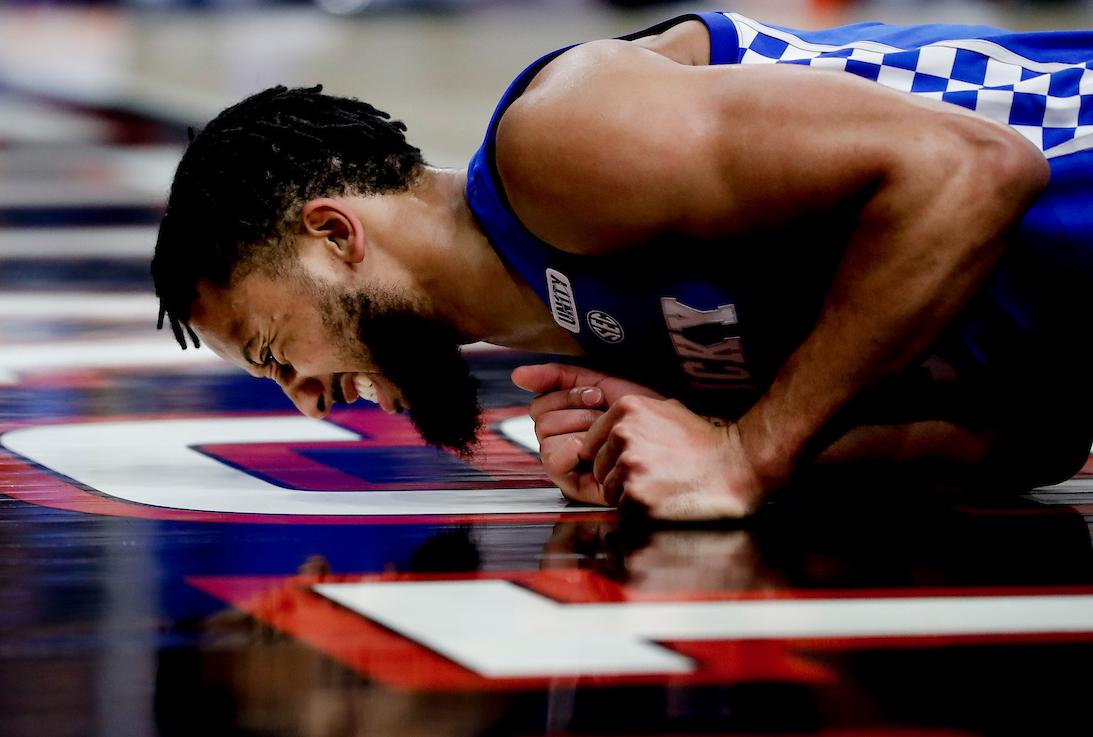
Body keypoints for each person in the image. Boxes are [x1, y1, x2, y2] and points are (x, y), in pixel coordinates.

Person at [151, 13, 1093, 521]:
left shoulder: (562, 145)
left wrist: (748, 455)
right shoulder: (610, 349)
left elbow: (973, 169)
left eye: (276, 352)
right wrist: (671, 457)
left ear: (335, 232)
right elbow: (1033, 442)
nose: (311, 401)